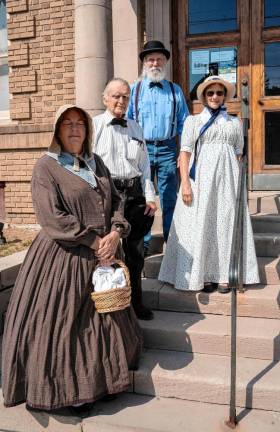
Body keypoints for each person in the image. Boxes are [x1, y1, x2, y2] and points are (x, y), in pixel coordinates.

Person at [2, 105, 142, 414]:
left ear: (88, 130)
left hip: (104, 253)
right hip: (64, 257)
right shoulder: (47, 167)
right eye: (68, 124)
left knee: (105, 319)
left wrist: (116, 233)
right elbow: (52, 216)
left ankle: (105, 381)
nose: (75, 128)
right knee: (68, 325)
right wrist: (94, 241)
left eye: (80, 123)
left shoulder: (96, 163)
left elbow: (117, 201)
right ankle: (73, 391)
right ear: (57, 131)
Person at [158, 76, 259, 293]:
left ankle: (224, 274)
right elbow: (184, 154)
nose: (215, 96)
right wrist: (185, 184)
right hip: (200, 181)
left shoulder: (234, 123)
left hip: (227, 182)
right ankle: (202, 274)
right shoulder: (193, 121)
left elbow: (238, 155)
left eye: (219, 93)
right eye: (210, 93)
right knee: (201, 224)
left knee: (224, 225)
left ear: (224, 97)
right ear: (203, 96)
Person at [93, 78, 157, 321]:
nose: (121, 101)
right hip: (108, 195)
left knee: (136, 252)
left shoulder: (135, 127)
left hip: (135, 194)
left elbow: (145, 164)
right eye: (116, 96)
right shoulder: (95, 125)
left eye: (125, 97)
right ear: (105, 98)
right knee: (108, 250)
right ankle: (109, 303)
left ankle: (136, 303)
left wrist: (150, 196)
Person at [127, 40, 189, 254]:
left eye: (159, 59)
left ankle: (171, 243)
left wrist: (184, 153)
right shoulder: (133, 91)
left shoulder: (175, 90)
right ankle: (144, 244)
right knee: (144, 199)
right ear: (144, 63)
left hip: (167, 150)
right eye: (150, 59)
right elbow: (127, 124)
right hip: (141, 151)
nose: (155, 63)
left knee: (169, 197)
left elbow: (185, 124)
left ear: (165, 62)